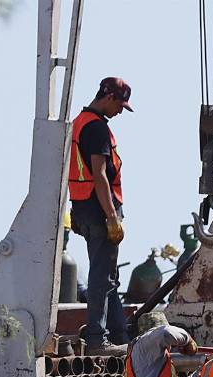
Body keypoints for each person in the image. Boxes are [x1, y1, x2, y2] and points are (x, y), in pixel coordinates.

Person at [69, 77, 133, 355]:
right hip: (99, 211)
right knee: (100, 276)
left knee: (107, 277)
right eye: (120, 104)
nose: (121, 111)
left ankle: (118, 334)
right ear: (108, 98)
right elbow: (99, 176)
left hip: (82, 208)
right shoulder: (96, 128)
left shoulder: (79, 122)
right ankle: (97, 338)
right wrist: (112, 217)